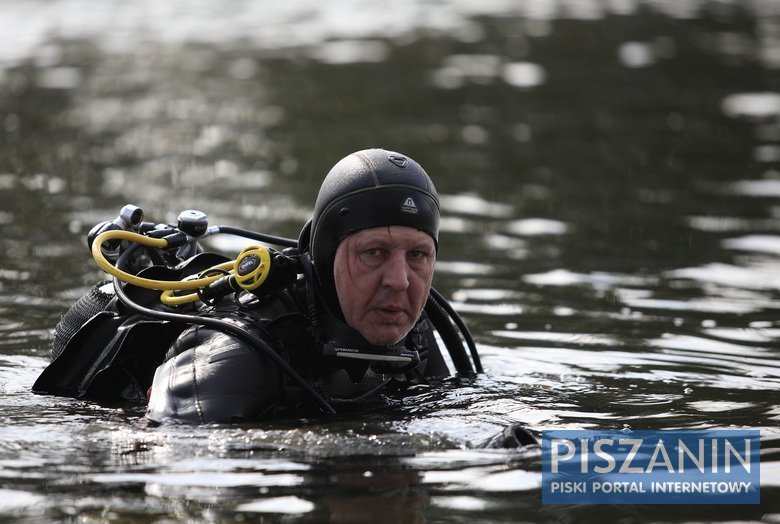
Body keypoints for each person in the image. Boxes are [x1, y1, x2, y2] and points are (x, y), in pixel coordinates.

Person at [34, 148, 467, 424]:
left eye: (417, 256)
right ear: (329, 253)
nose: (398, 280)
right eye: (373, 253)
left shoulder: (410, 331)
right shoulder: (242, 351)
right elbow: (166, 450)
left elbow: (457, 412)